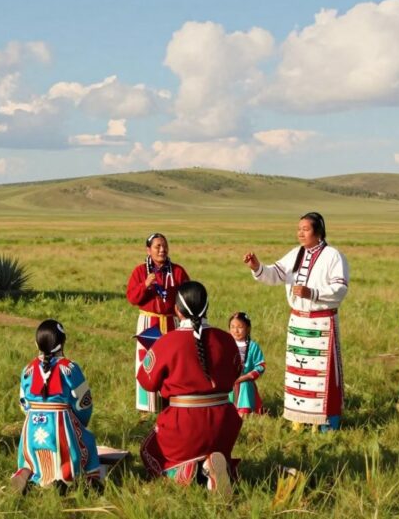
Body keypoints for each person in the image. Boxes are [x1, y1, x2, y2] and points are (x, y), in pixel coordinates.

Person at [243, 212, 349, 431]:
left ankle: (327, 424)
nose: (300, 233)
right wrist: (257, 267)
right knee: (298, 375)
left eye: (306, 229)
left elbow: (340, 288)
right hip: (297, 323)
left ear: (318, 232)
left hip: (321, 324)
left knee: (323, 376)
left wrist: (312, 293)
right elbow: (274, 274)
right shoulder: (295, 254)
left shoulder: (333, 256)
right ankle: (299, 420)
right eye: (299, 228)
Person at [137, 281, 242, 495]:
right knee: (213, 445)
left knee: (149, 451)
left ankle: (191, 472)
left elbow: (146, 381)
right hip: (224, 424)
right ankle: (214, 466)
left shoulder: (167, 342)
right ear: (207, 306)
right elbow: (236, 373)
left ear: (176, 309)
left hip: (183, 425)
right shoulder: (226, 339)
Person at [11, 320, 101, 492]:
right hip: (61, 424)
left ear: (36, 343)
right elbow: (84, 401)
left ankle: (27, 472)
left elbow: (24, 402)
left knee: (30, 456)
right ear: (62, 342)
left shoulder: (28, 369)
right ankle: (68, 479)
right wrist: (81, 421)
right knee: (86, 441)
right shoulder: (69, 368)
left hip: (32, 427)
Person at [127, 233, 190, 413]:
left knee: (173, 362)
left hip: (172, 321)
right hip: (148, 322)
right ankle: (147, 408)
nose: (162, 250)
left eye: (164, 246)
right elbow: (132, 298)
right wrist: (145, 285)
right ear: (148, 250)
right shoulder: (140, 271)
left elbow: (187, 296)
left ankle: (171, 405)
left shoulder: (177, 271)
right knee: (147, 362)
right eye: (157, 247)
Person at [227, 312, 265, 416]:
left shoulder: (253, 347)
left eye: (240, 327)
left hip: (246, 380)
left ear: (248, 328)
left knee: (244, 386)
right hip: (228, 381)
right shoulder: (226, 345)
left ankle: (244, 412)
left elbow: (261, 366)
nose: (236, 330)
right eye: (233, 327)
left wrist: (247, 376)